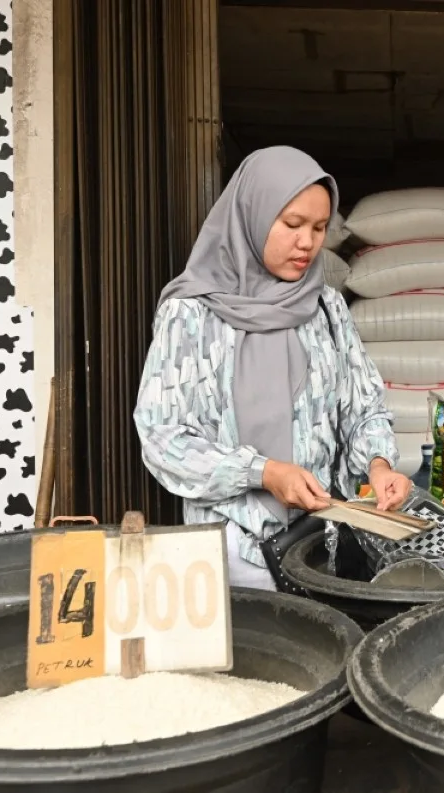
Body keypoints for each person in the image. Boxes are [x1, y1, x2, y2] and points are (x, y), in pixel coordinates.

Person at [134, 146, 410, 591]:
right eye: (292, 225)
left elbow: (364, 407)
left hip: (322, 551)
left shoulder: (326, 308)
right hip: (227, 559)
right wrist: (264, 472)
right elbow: (163, 438)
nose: (308, 243)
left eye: (320, 228)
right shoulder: (192, 313)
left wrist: (378, 466)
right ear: (252, 216)